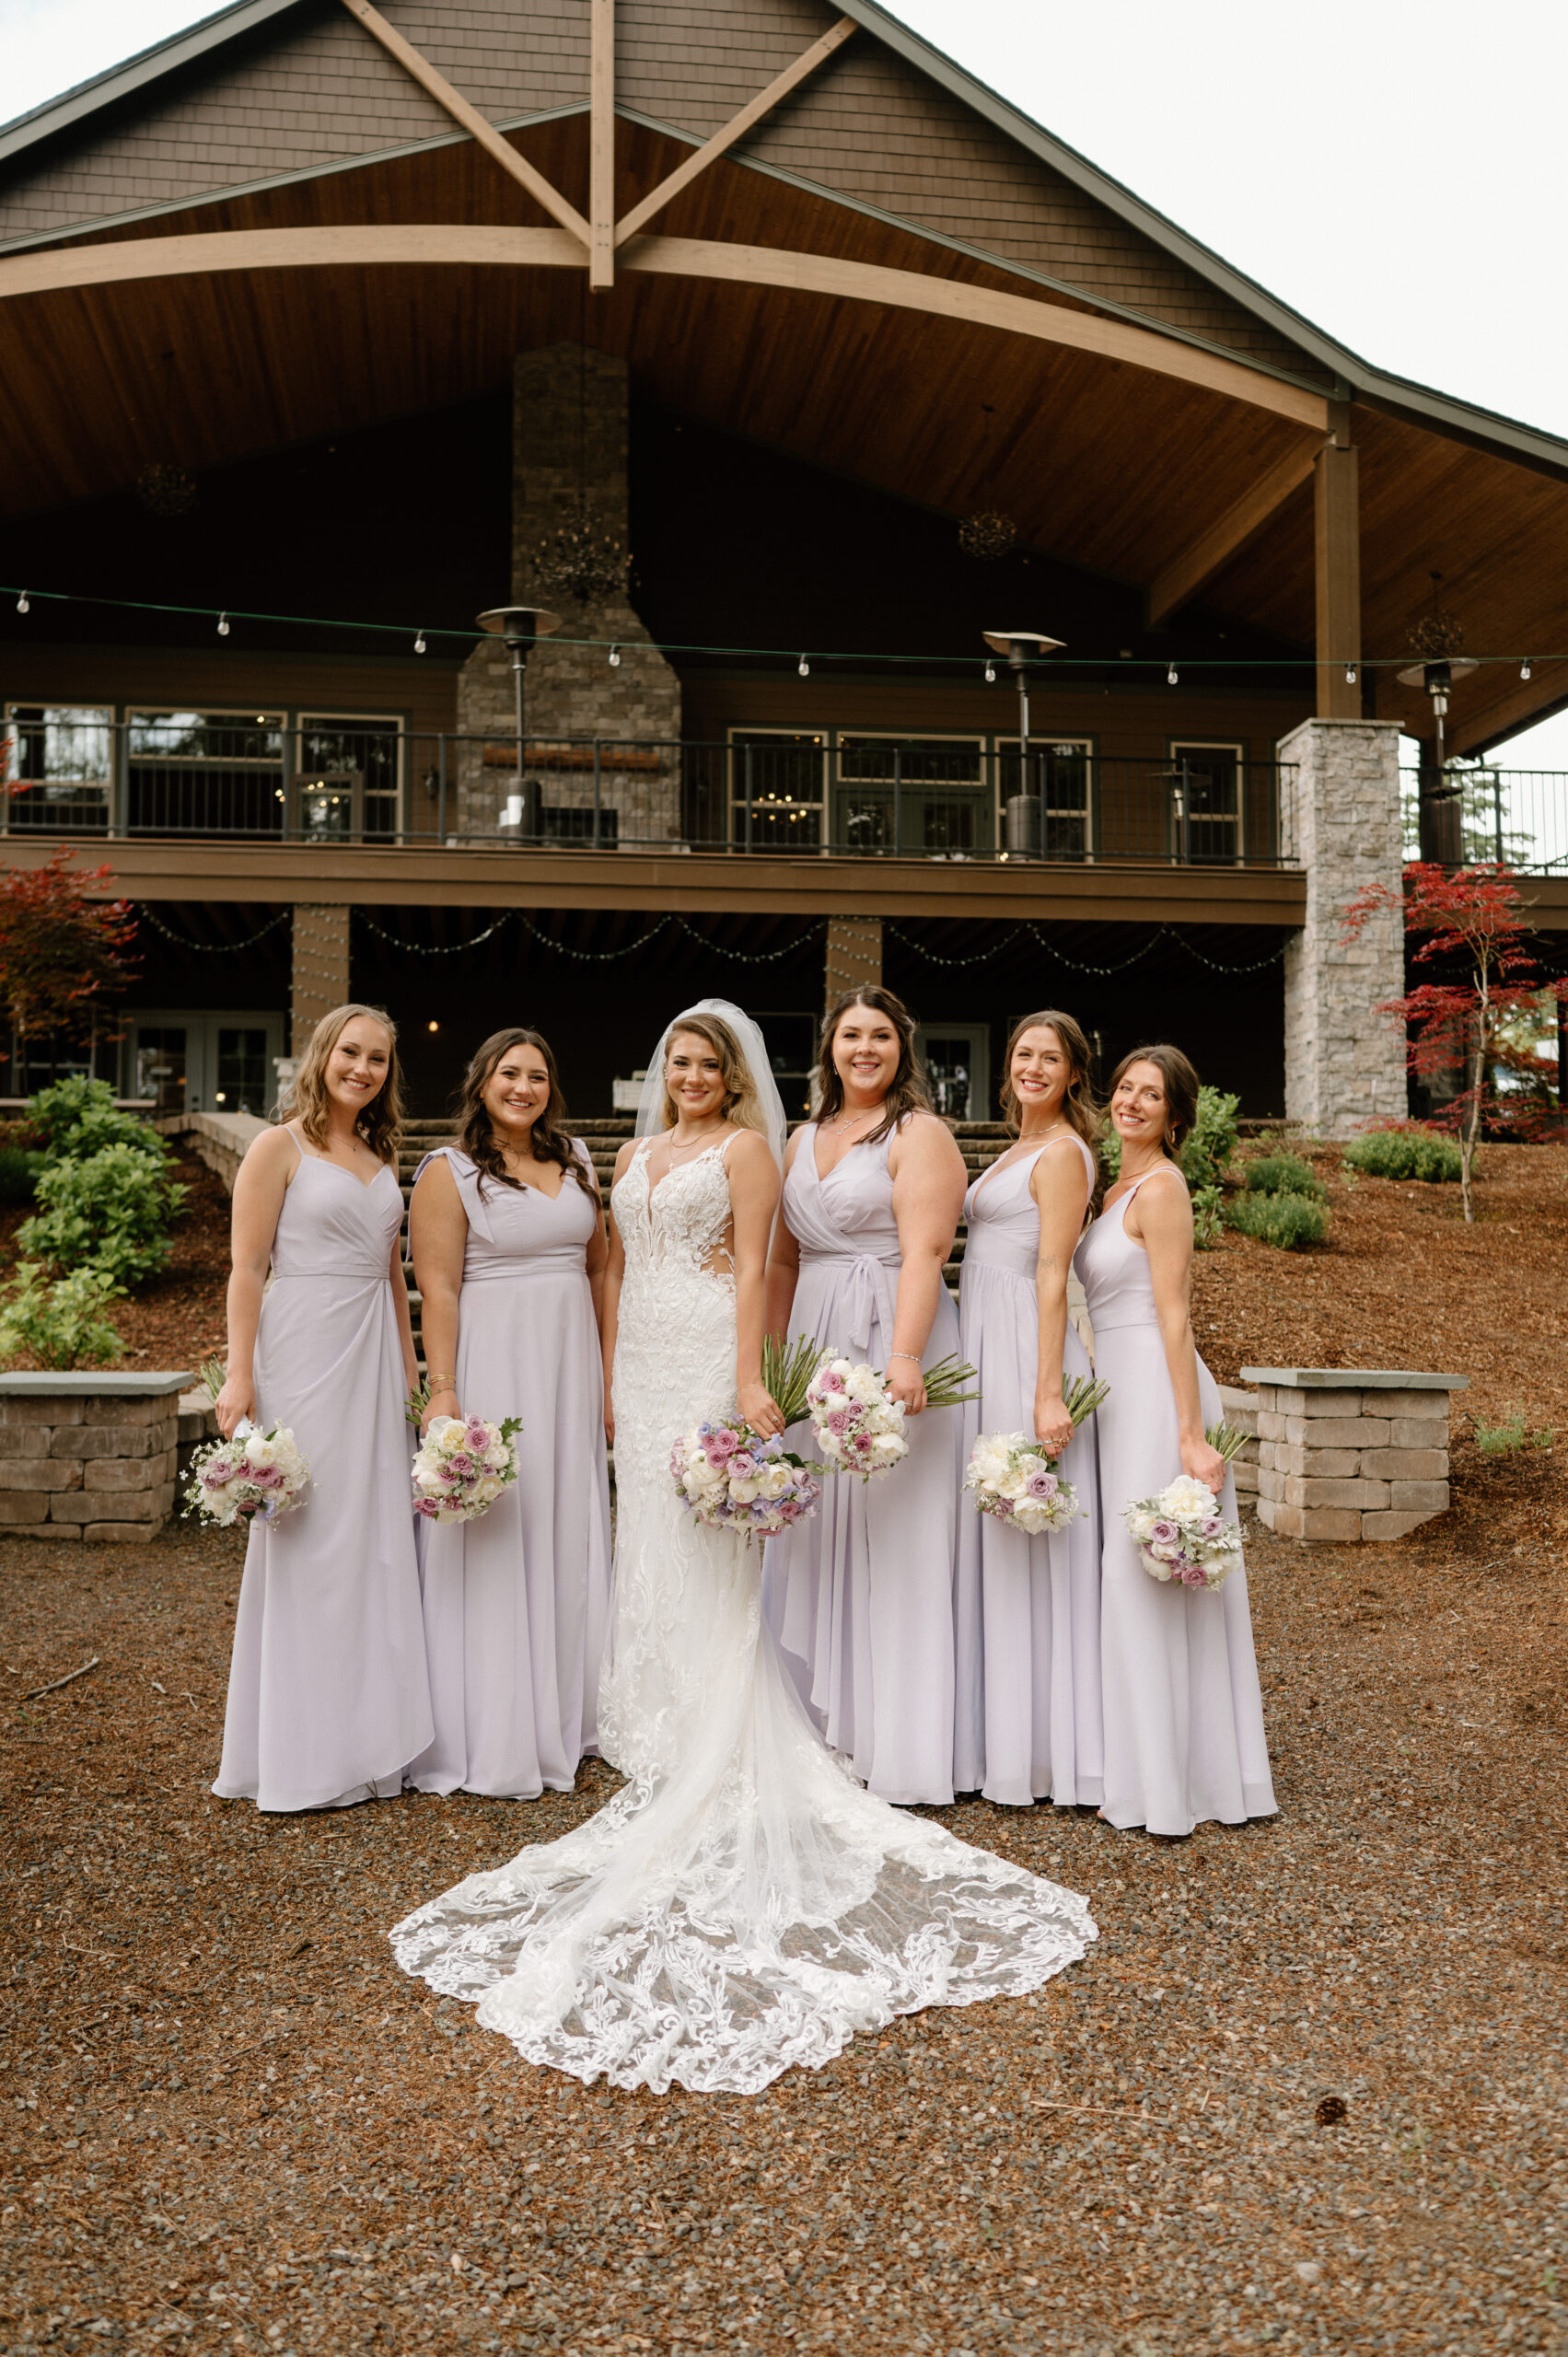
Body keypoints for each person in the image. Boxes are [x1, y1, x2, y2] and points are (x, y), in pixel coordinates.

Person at [390, 999, 1095, 2095]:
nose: (691, 1075)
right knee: (648, 1534)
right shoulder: (622, 1152)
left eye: (708, 1062)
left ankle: (721, 1707)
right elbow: (612, 1264)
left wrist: (747, 1377)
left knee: (712, 1526)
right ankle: (641, 1699)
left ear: (733, 1075)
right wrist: (615, 1364)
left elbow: (761, 1263)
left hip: (718, 1351)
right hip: (639, 1356)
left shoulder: (756, 1149)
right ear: (659, 1070)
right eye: (676, 1059)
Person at [214, 1004, 432, 1813]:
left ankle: (369, 1745)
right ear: (323, 1055)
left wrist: (412, 1376)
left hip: (372, 1354)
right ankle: (301, 1753)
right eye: (351, 1052)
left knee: (374, 1540)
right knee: (311, 1539)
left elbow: (389, 1274)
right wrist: (238, 1377)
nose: (363, 1069)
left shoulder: (382, 1151)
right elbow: (245, 1270)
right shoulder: (278, 1147)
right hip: (303, 1346)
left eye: (378, 1058)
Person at [761, 987, 970, 1805]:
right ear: (829, 1047)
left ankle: (898, 1739)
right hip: (814, 1336)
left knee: (894, 1532)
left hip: (891, 1326)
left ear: (901, 1048)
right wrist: (774, 1367)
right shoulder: (800, 1136)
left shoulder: (920, 1135)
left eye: (880, 1036)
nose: (864, 1049)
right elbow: (780, 1262)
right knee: (818, 1530)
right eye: (851, 1035)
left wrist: (905, 1358)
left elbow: (924, 1253)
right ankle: (815, 1727)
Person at [1074, 1044, 1275, 1838]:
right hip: (1115, 1393)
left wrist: (1191, 1436)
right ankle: (1140, 1763)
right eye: (1123, 1087)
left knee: (1145, 1571)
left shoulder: (1161, 1189)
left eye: (1148, 1095)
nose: (1128, 1101)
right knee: (1125, 1577)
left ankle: (1170, 1786)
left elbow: (1174, 1314)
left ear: (1175, 1116)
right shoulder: (1109, 1186)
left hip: (1159, 1391)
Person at [406, 1028, 611, 1799]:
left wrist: (608, 1377)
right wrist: (445, 1388)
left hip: (570, 1364)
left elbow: (598, 1272)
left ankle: (568, 1714)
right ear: (481, 1081)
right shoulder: (446, 1171)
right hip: (495, 1359)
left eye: (535, 1075)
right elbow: (442, 1289)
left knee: (567, 1523)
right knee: (500, 1531)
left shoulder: (579, 1160)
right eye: (508, 1074)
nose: (522, 1088)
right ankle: (489, 1727)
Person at [955, 1011, 1103, 1806]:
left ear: (1074, 1074)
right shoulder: (1014, 1147)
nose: (1033, 1068)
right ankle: (992, 1733)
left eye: (1050, 1058)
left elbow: (1053, 1272)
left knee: (1028, 1539)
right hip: (980, 1336)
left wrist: (1046, 1389)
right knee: (990, 1537)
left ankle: (1042, 1749)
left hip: (1021, 1343)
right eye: (1023, 1054)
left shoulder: (1062, 1155)